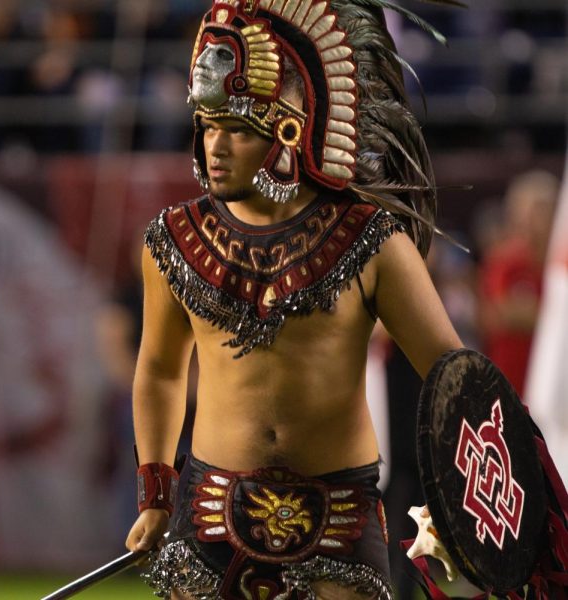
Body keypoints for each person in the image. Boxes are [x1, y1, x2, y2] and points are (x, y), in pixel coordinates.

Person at [123, 2, 465, 598]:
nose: (214, 147)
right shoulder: (171, 240)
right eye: (206, 126)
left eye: (236, 129)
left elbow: (452, 376)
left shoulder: (372, 239)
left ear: (287, 133)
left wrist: (457, 493)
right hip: (207, 511)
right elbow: (157, 370)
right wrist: (156, 491)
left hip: (339, 517)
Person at [477, 169, 559, 397]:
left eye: (540, 210)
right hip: (510, 385)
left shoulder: (559, 264)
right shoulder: (505, 261)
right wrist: (552, 315)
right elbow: (496, 314)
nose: (531, 219)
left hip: (552, 383)